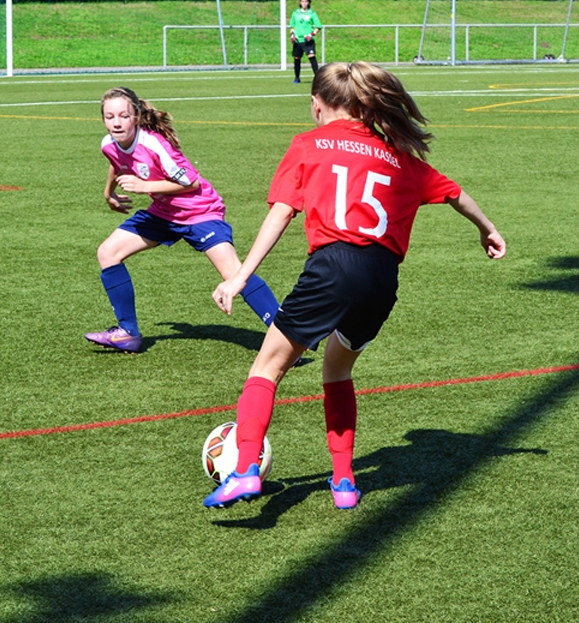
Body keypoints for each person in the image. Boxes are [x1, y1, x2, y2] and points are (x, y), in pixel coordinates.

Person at [203, 61, 506, 510]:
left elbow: (282, 211)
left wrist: (240, 275)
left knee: (266, 369)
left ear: (317, 104)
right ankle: (344, 483)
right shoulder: (398, 155)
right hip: (382, 278)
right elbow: (455, 194)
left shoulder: (308, 144)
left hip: (333, 266)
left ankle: (245, 469)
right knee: (338, 370)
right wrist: (488, 229)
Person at [85, 86, 280, 353]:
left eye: (124, 116)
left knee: (234, 273)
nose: (116, 123)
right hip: (163, 213)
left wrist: (145, 186)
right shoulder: (108, 144)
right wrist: (109, 193)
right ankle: (128, 333)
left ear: (136, 117)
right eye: (110, 117)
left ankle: (287, 337)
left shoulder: (154, 144)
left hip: (200, 211)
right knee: (108, 252)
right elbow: (117, 160)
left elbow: (190, 182)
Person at [289, 0, 322, 84]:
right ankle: (297, 78)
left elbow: (318, 27)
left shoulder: (312, 13)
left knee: (311, 57)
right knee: (297, 58)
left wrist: (311, 34)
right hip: (298, 40)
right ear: (300, 2)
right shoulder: (295, 13)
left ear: (308, 3)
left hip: (308, 41)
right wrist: (292, 35)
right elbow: (292, 26)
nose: (304, 3)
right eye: (302, 1)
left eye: (306, 1)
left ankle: (317, 78)